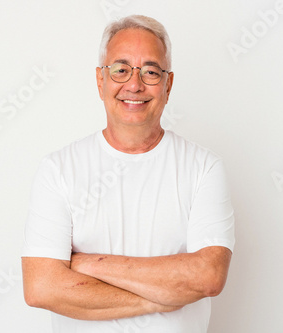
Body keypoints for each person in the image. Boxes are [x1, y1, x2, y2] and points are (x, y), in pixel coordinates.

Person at [21, 14, 235, 333]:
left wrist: (85, 263)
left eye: (150, 71)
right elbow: (41, 287)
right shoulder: (59, 169)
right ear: (100, 80)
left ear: (168, 84)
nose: (134, 85)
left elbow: (207, 277)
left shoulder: (204, 167)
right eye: (120, 69)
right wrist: (158, 299)